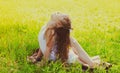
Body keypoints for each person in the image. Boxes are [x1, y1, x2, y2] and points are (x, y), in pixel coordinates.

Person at [28, 12, 111, 71]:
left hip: (67, 57)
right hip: (64, 55)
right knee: (81, 58)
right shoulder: (47, 27)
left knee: (83, 62)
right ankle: (95, 62)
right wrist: (37, 57)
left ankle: (96, 65)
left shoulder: (51, 32)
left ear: (57, 24)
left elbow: (47, 50)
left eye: (59, 15)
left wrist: (42, 63)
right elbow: (42, 45)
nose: (58, 12)